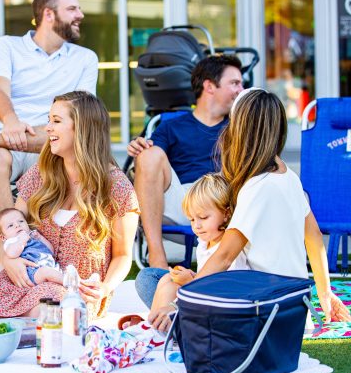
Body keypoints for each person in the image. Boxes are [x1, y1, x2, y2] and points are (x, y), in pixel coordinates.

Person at [150, 88, 351, 332]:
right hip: (294, 308)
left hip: (262, 311)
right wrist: (325, 294)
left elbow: (223, 258)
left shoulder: (257, 188)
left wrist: (177, 304)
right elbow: (314, 237)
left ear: (241, 132)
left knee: (158, 283)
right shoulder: (288, 176)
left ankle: (167, 323)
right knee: (158, 282)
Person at [0, 91, 139, 324]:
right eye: (49, 120)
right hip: (27, 277)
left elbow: (122, 255)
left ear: (83, 128)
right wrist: (8, 260)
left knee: (50, 315)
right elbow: (13, 224)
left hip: (73, 289)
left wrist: (105, 288)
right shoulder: (42, 173)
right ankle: (15, 324)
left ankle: (16, 325)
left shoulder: (117, 187)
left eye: (56, 121)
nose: (48, 128)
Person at [0, 0, 98, 262]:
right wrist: (11, 121)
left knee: (68, 135)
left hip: (48, 143)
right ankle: (10, 257)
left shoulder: (85, 58)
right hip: (7, 133)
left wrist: (1, 135)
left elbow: (81, 115)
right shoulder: (6, 46)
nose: (80, 15)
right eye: (72, 9)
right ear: (49, 14)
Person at [129, 55, 243, 272]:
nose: (241, 89)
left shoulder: (239, 127)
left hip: (225, 203)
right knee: (148, 154)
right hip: (184, 203)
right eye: (235, 83)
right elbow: (148, 162)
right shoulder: (172, 126)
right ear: (210, 86)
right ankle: (157, 259)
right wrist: (139, 150)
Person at [148, 173, 248, 318]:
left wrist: (190, 282)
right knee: (162, 278)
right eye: (192, 220)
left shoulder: (230, 245)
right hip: (201, 298)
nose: (197, 226)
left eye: (203, 218)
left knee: (170, 287)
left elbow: (229, 290)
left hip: (222, 310)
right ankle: (156, 323)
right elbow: (205, 277)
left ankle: (162, 329)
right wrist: (190, 277)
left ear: (226, 213)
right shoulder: (204, 243)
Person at [0, 208, 62, 285]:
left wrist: (40, 238)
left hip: (51, 266)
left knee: (59, 271)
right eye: (10, 225)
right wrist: (21, 240)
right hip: (32, 272)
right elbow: (12, 254)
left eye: (21, 221)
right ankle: (69, 282)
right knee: (47, 272)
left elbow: (50, 251)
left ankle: (66, 281)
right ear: (3, 237)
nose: (17, 225)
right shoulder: (11, 242)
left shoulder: (32, 237)